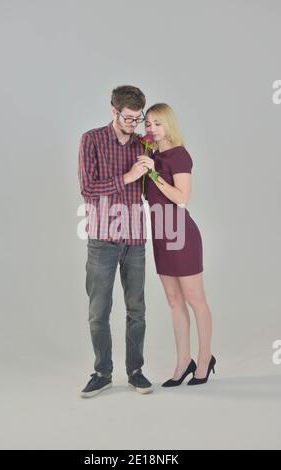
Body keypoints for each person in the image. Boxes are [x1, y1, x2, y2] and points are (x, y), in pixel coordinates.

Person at [78, 85, 153, 397]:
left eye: (138, 119)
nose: (133, 124)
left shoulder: (142, 145)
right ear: (113, 110)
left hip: (135, 238)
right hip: (102, 238)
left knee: (136, 309)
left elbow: (155, 186)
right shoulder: (91, 139)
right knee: (99, 310)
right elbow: (88, 189)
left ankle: (135, 370)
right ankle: (102, 371)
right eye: (128, 118)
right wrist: (129, 176)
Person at [138, 103, 216, 386]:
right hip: (160, 234)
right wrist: (146, 164)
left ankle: (205, 359)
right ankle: (184, 360)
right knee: (173, 302)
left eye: (157, 123)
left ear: (169, 125)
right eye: (147, 124)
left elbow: (182, 198)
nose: (151, 128)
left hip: (181, 234)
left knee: (196, 300)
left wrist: (154, 174)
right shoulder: (150, 155)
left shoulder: (179, 155)